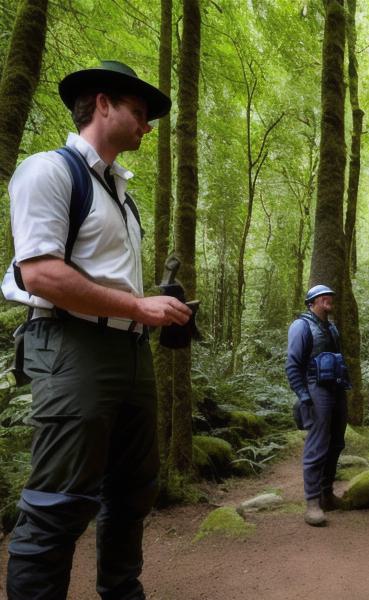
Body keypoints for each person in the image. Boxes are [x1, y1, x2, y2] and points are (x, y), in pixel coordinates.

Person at [3, 61, 191, 600]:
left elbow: (104, 277)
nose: (146, 126)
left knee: (133, 492)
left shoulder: (122, 198)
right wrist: (139, 307)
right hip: (72, 345)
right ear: (102, 104)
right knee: (59, 501)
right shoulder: (49, 171)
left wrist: (157, 307)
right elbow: (39, 273)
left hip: (128, 352)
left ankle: (122, 592)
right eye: (138, 112)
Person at [285, 284, 349, 527]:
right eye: (324, 297)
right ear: (312, 301)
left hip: (337, 389)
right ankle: (312, 503)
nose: (329, 300)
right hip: (316, 389)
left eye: (330, 296)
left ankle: (326, 494)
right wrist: (303, 395)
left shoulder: (331, 328)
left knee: (336, 443)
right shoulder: (301, 326)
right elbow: (292, 364)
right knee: (318, 445)